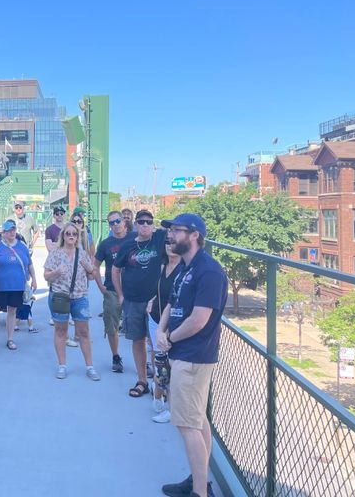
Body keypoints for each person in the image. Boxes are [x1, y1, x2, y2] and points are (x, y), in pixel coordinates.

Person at [156, 214, 227, 497]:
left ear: (194, 235)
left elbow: (199, 320)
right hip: (179, 352)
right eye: (170, 231)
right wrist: (161, 331)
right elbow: (171, 304)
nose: (170, 236)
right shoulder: (186, 267)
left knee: (187, 425)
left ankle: (200, 492)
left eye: (176, 231)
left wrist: (169, 338)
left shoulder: (208, 271)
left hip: (194, 357)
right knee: (197, 421)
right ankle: (200, 480)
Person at [112, 209, 167, 398]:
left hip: (155, 301)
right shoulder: (128, 246)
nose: (145, 225)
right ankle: (142, 380)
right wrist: (120, 295)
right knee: (138, 340)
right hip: (133, 301)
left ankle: (158, 385)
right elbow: (115, 269)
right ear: (135, 225)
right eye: (141, 222)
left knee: (156, 342)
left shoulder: (159, 239)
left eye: (149, 222)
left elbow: (173, 229)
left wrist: (158, 227)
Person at [44, 221, 103, 381]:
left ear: (78, 237)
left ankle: (89, 366)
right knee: (61, 331)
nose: (71, 236)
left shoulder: (82, 254)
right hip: (60, 297)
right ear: (63, 236)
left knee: (83, 332)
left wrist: (89, 268)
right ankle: (62, 365)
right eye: (68, 233)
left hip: (80, 297)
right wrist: (56, 271)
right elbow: (46, 276)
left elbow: (91, 276)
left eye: (74, 234)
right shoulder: (55, 253)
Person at [0, 219, 37, 351]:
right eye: (9, 230)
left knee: (12, 311)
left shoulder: (22, 246)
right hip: (0, 285)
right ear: (3, 232)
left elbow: (29, 264)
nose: (12, 232)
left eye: (13, 230)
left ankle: (10, 339)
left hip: (17, 285)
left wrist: (34, 279)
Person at [93, 210, 137, 373]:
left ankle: (144, 361)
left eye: (118, 221)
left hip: (133, 289)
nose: (116, 224)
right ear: (109, 225)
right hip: (112, 289)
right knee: (111, 325)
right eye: (112, 222)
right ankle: (116, 356)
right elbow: (95, 266)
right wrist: (101, 287)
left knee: (139, 327)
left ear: (124, 222)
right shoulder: (106, 244)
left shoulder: (134, 239)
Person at [148, 242, 183, 424]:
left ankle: (170, 406)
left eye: (174, 243)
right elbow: (160, 292)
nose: (170, 246)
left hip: (172, 325)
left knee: (170, 365)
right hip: (156, 321)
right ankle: (158, 395)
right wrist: (151, 300)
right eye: (167, 242)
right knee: (159, 361)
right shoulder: (163, 265)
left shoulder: (184, 270)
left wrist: (169, 327)